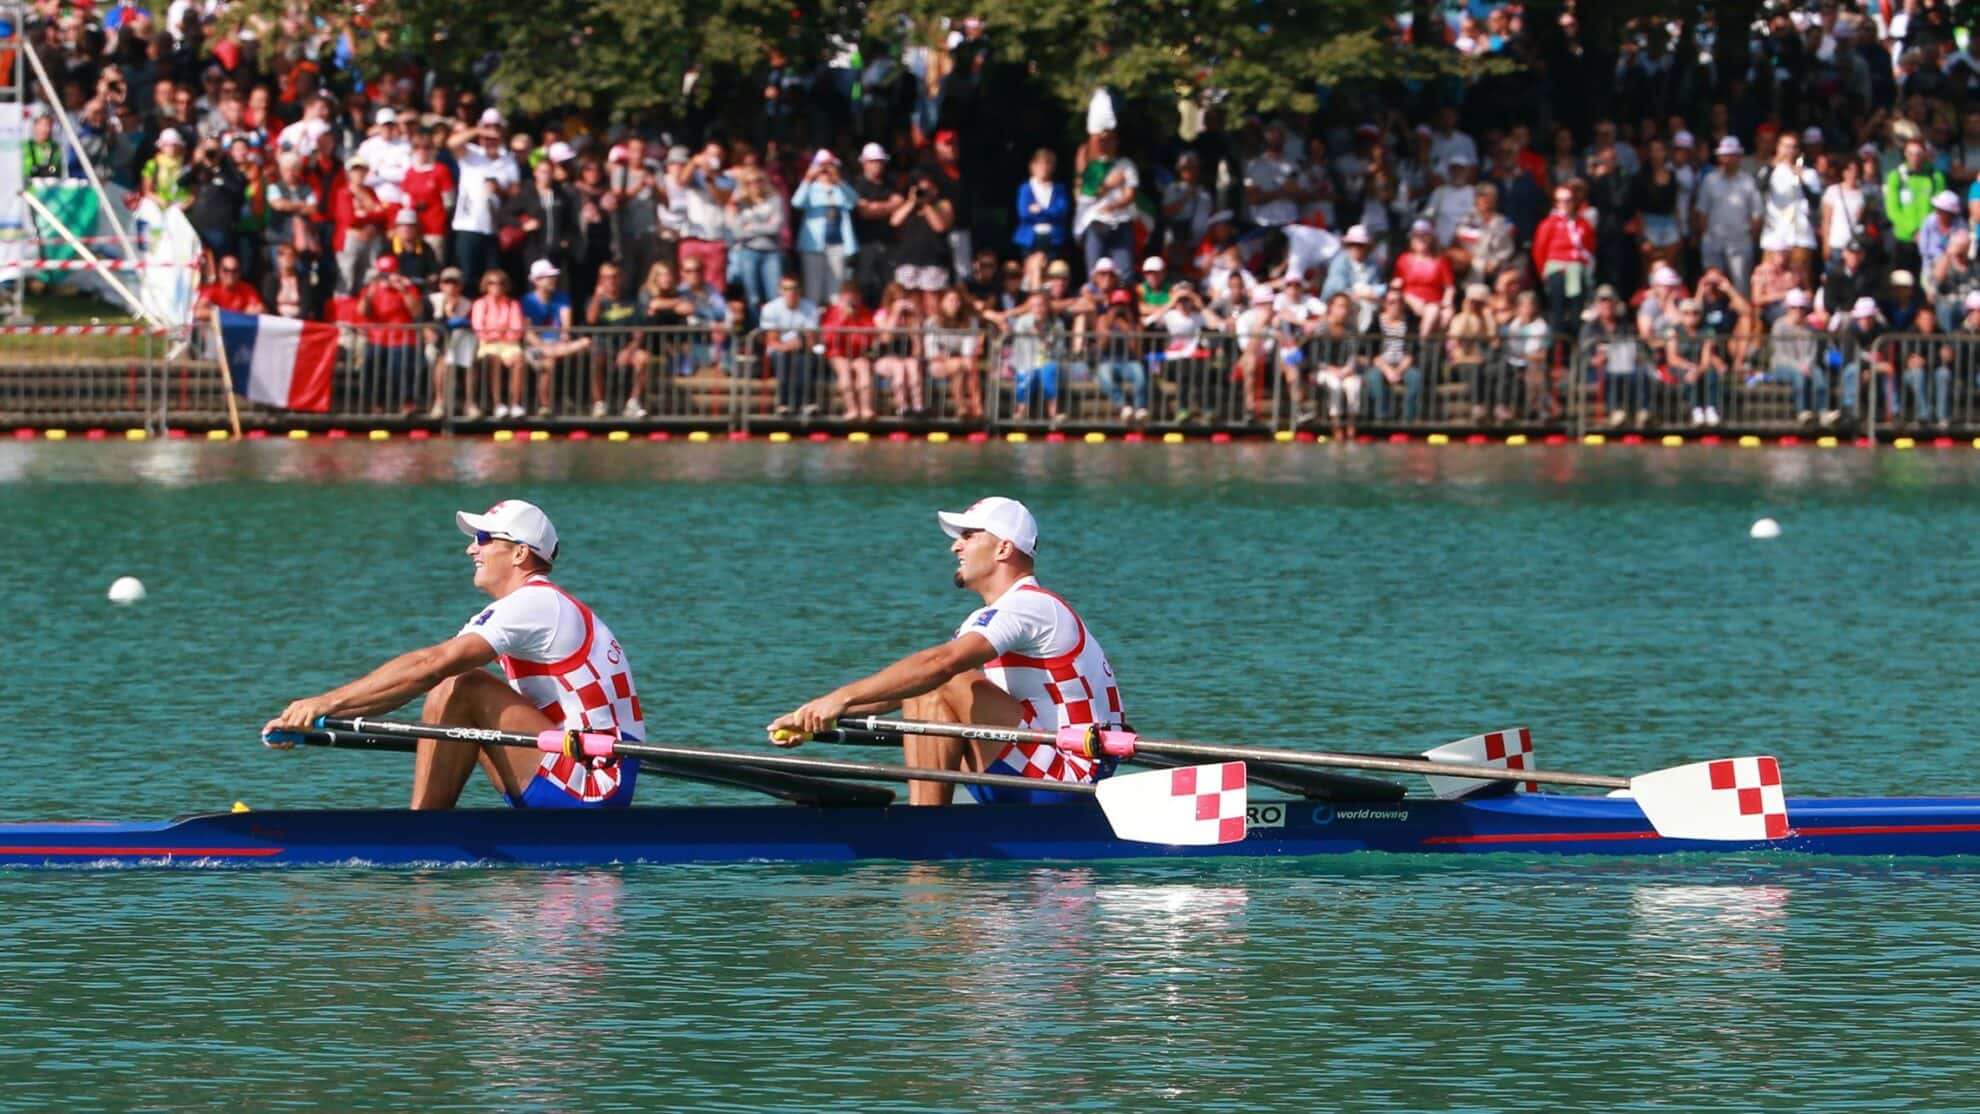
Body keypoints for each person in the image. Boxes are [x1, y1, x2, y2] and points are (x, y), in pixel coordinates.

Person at [263, 500, 645, 811]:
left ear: (520, 553)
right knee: (455, 692)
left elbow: (431, 667)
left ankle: (421, 832)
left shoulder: (537, 602)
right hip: (574, 764)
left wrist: (325, 703)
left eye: (482, 538)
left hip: (595, 780)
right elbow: (421, 677)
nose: (471, 548)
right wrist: (323, 717)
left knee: (462, 684)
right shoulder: (535, 605)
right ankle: (426, 829)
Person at [768, 497, 1124, 807]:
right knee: (926, 686)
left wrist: (842, 696)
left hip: (1069, 779)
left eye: (968, 536)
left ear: (1003, 549)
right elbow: (903, 692)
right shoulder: (993, 617)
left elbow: (939, 666)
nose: (955, 547)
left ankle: (923, 830)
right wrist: (814, 717)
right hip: (1034, 768)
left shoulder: (1032, 607)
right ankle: (927, 827)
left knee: (938, 679)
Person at [761, 275, 822, 416]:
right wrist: (790, 345)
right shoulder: (771, 308)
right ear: (780, 291)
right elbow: (772, 340)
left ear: (800, 290)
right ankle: (783, 402)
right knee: (784, 357)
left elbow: (812, 341)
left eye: (794, 288)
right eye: (787, 289)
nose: (791, 292)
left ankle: (806, 402)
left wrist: (802, 343)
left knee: (805, 359)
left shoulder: (810, 307)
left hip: (803, 348)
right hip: (779, 350)